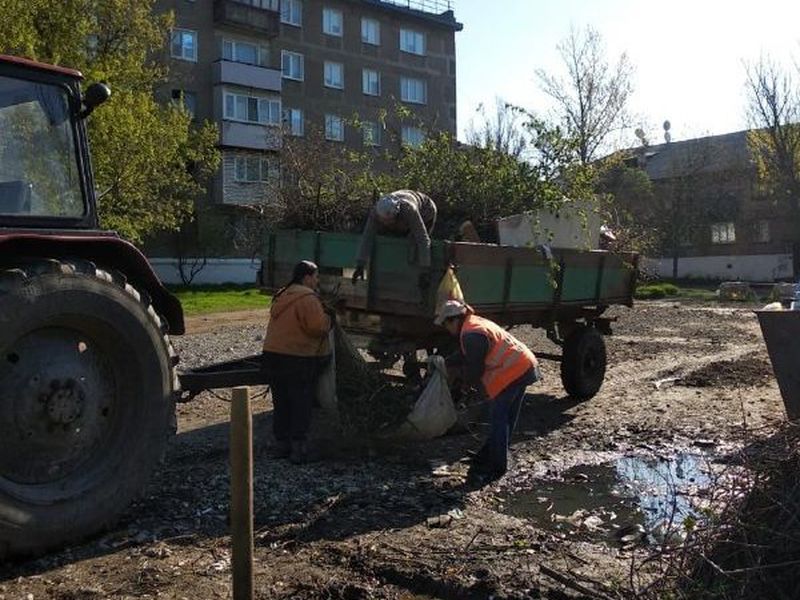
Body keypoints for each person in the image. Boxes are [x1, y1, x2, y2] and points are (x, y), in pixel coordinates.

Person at [436, 300, 540, 480]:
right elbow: (466, 354)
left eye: (446, 324)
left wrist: (465, 387)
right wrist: (447, 361)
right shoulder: (473, 325)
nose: (447, 329)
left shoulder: (471, 334)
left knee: (499, 419)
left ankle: (497, 468)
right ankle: (488, 456)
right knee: (507, 418)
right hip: (525, 366)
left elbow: (475, 368)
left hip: (513, 372)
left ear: (453, 320)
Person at [262, 260, 333, 464]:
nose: (317, 281)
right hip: (297, 358)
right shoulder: (308, 298)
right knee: (300, 402)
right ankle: (299, 450)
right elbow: (317, 328)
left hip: (272, 355)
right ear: (307, 277)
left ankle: (281, 445)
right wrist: (329, 318)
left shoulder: (282, 294)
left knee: (281, 401)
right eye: (316, 277)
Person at [352, 190, 437, 290]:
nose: (386, 223)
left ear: (396, 214)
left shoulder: (409, 210)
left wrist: (425, 270)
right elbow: (367, 236)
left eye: (389, 221)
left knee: (413, 242)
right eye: (384, 221)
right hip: (401, 214)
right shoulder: (375, 213)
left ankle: (418, 275)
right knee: (390, 237)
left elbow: (423, 238)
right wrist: (360, 264)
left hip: (426, 211)